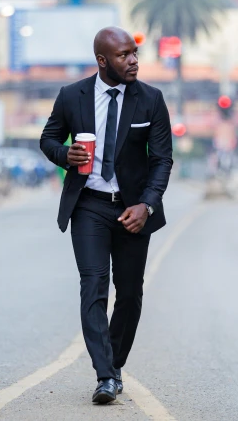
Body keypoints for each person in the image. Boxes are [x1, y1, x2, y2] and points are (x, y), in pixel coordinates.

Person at [40, 27, 173, 404]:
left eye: (135, 53)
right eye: (123, 55)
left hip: (133, 209)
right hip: (89, 205)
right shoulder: (72, 96)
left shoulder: (151, 99)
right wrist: (65, 155)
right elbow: (48, 138)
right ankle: (105, 376)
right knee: (94, 285)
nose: (133, 60)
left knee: (129, 294)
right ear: (102, 61)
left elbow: (162, 159)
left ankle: (113, 365)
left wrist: (145, 205)